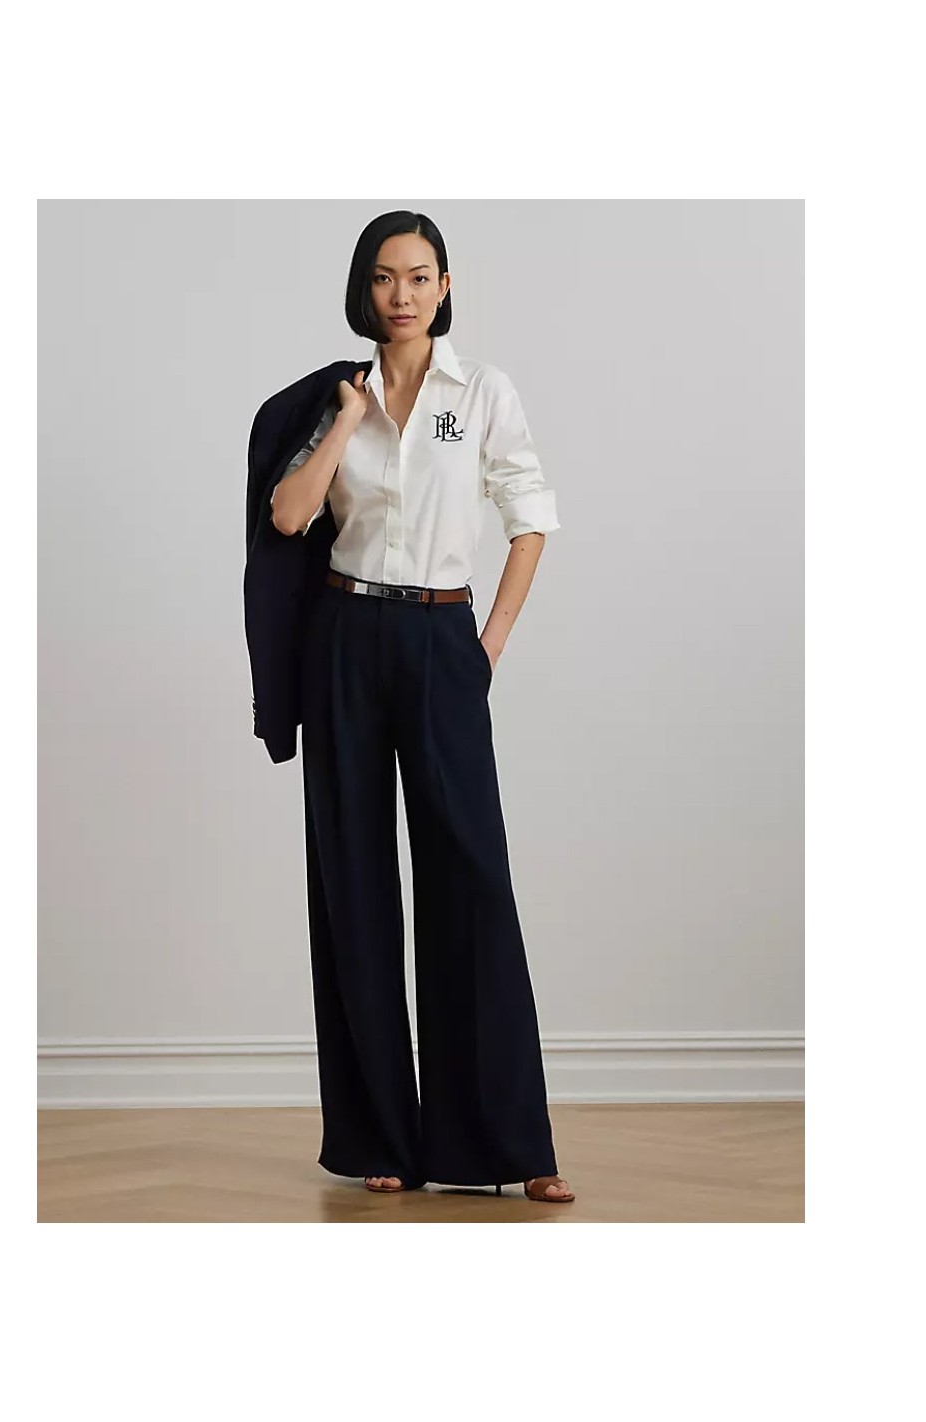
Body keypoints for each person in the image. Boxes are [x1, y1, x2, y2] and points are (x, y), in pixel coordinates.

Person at [269, 210, 575, 1203]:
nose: (400, 294)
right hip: (344, 638)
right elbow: (290, 513)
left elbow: (530, 519)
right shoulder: (335, 397)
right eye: (383, 277)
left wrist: (487, 647)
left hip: (443, 639)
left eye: (418, 276)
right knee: (352, 880)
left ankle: (509, 1145)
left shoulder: (482, 393)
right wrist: (347, 421)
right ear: (363, 290)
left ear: (444, 287)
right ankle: (380, 1138)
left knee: (470, 879)